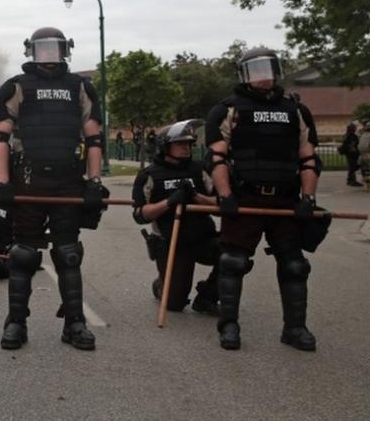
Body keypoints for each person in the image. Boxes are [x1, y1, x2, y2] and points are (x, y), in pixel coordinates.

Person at [0, 26, 108, 351]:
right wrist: (3, 183)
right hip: (28, 181)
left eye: (55, 50)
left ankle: (75, 323)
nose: (49, 58)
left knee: (68, 254)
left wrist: (95, 182)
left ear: (66, 51)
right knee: (23, 254)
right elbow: (0, 137)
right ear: (31, 51)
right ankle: (16, 323)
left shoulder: (80, 87)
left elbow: (94, 137)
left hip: (68, 182)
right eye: (43, 51)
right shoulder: (16, 86)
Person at [206, 47, 324, 351]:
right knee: (232, 262)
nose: (264, 77)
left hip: (285, 200)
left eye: (268, 70)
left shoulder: (296, 111)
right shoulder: (228, 110)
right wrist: (225, 196)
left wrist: (308, 199)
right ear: (244, 75)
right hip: (245, 198)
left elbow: (309, 160)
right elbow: (217, 157)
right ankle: (229, 325)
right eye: (256, 71)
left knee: (295, 265)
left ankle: (295, 329)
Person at [131, 120, 220, 314]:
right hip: (171, 242)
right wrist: (169, 202)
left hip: (203, 237)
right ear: (165, 146)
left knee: (234, 258)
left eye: (188, 144)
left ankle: (207, 296)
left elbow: (220, 205)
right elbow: (140, 214)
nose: (186, 148)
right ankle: (162, 284)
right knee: (174, 304)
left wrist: (196, 196)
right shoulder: (149, 175)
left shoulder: (200, 170)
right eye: (180, 144)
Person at [340, 122, 362, 187]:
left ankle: (350, 180)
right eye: (355, 128)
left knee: (352, 166)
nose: (356, 129)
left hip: (349, 153)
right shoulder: (352, 136)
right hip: (352, 153)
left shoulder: (346, 135)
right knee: (353, 166)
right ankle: (352, 181)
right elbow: (353, 144)